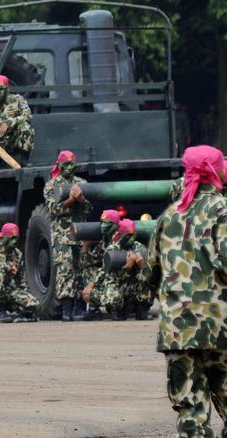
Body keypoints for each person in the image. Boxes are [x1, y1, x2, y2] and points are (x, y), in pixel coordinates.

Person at [141, 145, 227, 436]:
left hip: (177, 329)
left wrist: (174, 304)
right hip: (220, 327)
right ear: (215, 172)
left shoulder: (169, 216)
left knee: (191, 416)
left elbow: (150, 273)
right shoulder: (223, 212)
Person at [42, 150, 91, 321]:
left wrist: (82, 199)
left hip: (79, 234)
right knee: (65, 271)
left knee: (79, 270)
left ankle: (78, 308)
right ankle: (66, 309)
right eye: (66, 164)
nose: (69, 168)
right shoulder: (52, 186)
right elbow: (53, 210)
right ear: (60, 165)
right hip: (62, 236)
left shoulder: (82, 183)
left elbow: (89, 209)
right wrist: (71, 200)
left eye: (72, 164)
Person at [0, 223, 40, 323]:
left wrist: (25, 301)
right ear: (4, 238)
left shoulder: (17, 254)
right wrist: (8, 267)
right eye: (12, 238)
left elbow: (22, 281)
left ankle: (19, 311)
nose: (14, 241)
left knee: (34, 304)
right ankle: (0, 311)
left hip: (6, 290)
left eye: (16, 238)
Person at [107, 218, 153, 321]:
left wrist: (142, 266)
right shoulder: (113, 249)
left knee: (148, 281)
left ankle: (142, 310)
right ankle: (116, 310)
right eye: (128, 235)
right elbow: (112, 277)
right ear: (120, 234)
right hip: (119, 284)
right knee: (111, 288)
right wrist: (127, 267)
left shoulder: (139, 247)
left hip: (133, 284)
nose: (131, 239)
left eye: (133, 235)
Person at [80, 210, 120, 322]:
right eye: (102, 222)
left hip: (118, 277)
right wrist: (85, 246)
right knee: (88, 270)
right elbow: (89, 262)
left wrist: (91, 286)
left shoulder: (119, 241)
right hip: (107, 276)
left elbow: (106, 267)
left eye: (106, 222)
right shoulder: (104, 240)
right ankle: (94, 310)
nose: (103, 225)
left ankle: (116, 309)